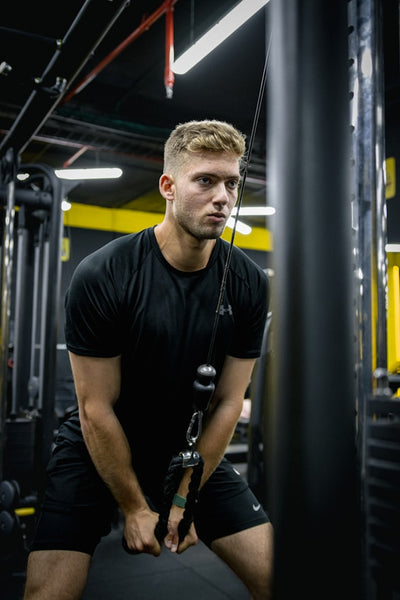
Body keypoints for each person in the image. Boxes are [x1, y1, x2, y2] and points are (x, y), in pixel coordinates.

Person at [23, 119, 273, 600]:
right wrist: (135, 507)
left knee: (280, 578)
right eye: (205, 180)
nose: (223, 196)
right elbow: (96, 408)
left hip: (187, 448)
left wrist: (185, 495)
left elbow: (226, 402)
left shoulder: (247, 282)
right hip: (97, 444)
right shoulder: (105, 273)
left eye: (231, 183)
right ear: (168, 186)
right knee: (47, 593)